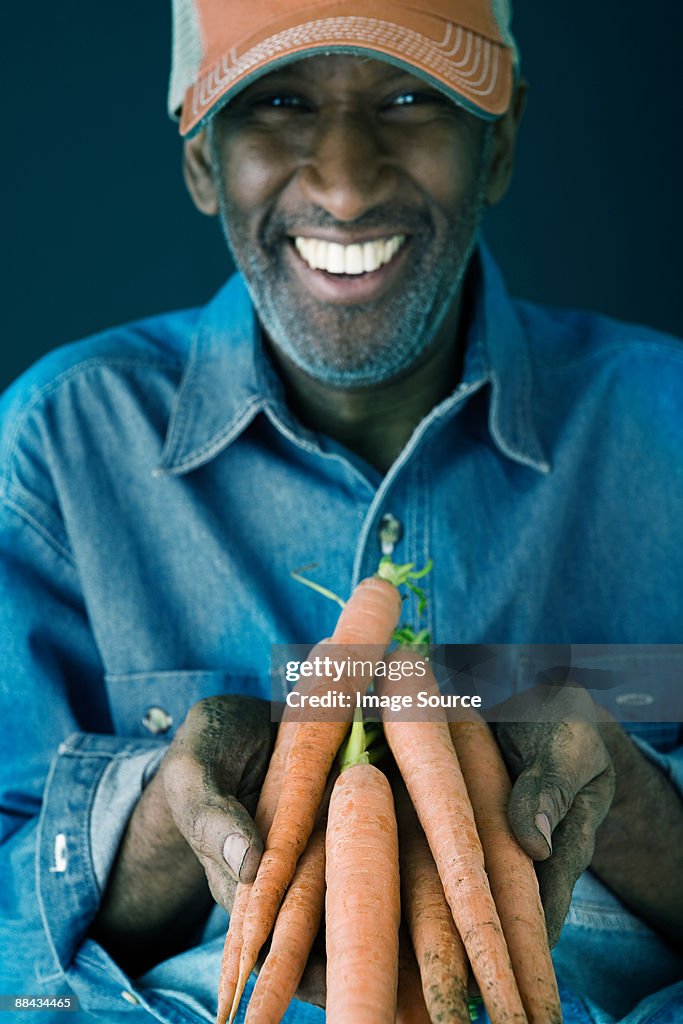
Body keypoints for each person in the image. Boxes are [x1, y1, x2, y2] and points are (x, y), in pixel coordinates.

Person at [1, 1, 682, 1021]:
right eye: (277, 102)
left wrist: (625, 795)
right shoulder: (54, 448)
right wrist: (161, 825)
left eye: (410, 98)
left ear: (496, 144)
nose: (346, 181)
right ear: (199, 159)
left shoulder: (665, 428)